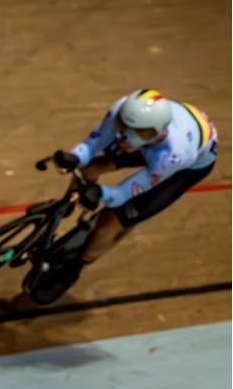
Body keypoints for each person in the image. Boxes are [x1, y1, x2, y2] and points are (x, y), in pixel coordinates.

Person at [38, 89, 218, 300]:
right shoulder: (122, 113)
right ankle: (66, 207)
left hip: (186, 165)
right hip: (151, 145)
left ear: (156, 132)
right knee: (90, 168)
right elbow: (92, 144)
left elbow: (126, 192)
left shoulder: (173, 154)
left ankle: (76, 267)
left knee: (111, 219)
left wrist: (100, 193)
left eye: (136, 133)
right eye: (122, 127)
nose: (123, 138)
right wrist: (75, 158)